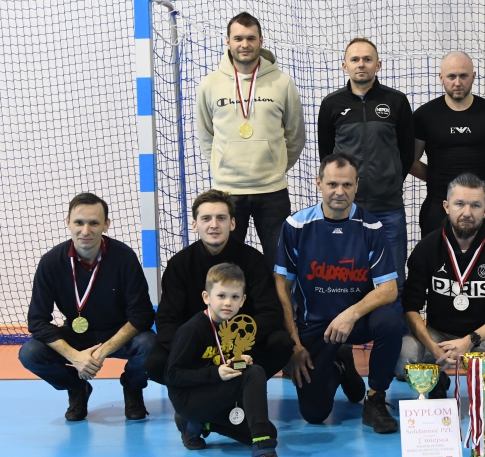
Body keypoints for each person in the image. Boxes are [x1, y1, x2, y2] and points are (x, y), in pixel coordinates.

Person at [275, 153, 405, 434]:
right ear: (319, 183)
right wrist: (295, 346)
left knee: (391, 322)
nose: (339, 192)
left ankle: (375, 399)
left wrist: (351, 314)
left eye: (347, 185)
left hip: (355, 320)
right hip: (316, 326)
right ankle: (340, 363)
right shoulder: (296, 226)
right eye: (332, 184)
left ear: (357, 186)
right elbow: (281, 288)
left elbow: (389, 290)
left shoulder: (371, 227)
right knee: (314, 413)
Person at [20, 193, 156, 421]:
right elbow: (37, 321)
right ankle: (77, 387)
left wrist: (100, 354)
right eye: (79, 222)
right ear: (68, 222)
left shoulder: (124, 258)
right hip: (76, 335)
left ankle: (132, 387)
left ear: (106, 224)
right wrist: (75, 357)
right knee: (30, 354)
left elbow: (142, 315)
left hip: (117, 333)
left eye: (94, 223)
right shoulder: (51, 262)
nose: (86, 230)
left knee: (149, 345)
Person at [147, 189, 293, 391]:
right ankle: (196, 392)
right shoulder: (179, 264)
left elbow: (271, 314)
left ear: (232, 223)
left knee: (281, 343)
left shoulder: (253, 260)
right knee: (153, 363)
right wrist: (194, 347)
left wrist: (233, 342)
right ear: (195, 224)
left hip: (241, 348)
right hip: (198, 349)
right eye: (206, 218)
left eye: (221, 218)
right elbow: (166, 320)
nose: (214, 225)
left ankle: (241, 388)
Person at [398, 173, 485, 404]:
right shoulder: (428, 247)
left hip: (484, 338)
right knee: (403, 352)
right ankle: (435, 380)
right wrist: (433, 348)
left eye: (475, 205)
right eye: (459, 204)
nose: (467, 212)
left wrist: (470, 340)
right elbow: (410, 306)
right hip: (439, 337)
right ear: (446, 207)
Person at [196, 11, 305, 267]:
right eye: (238, 38)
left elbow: (295, 135)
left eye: (250, 38)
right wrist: (224, 165)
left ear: (261, 41)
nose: (244, 44)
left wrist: (274, 166)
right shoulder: (210, 84)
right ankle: (235, 309)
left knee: (281, 265)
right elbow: (205, 136)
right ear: (228, 41)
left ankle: (279, 310)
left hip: (272, 191)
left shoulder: (282, 82)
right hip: (228, 191)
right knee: (226, 265)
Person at [317, 37, 414, 308]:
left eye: (367, 59)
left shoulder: (396, 102)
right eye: (355, 59)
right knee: (341, 277)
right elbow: (328, 156)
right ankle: (343, 346)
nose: (362, 64)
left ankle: (396, 343)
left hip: (388, 208)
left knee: (393, 279)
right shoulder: (331, 105)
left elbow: (406, 154)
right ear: (344, 66)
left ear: (378, 65)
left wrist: (389, 180)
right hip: (345, 211)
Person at [166, 263, 286, 457]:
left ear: (243, 300)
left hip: (217, 396)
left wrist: (239, 363)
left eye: (234, 297)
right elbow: (172, 376)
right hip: (189, 399)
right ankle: (262, 451)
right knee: (256, 374)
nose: (228, 302)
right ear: (206, 297)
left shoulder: (236, 327)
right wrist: (216, 373)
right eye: (221, 295)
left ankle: (200, 423)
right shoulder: (192, 330)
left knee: (272, 432)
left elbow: (224, 364)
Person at [410, 51, 485, 237]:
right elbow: (409, 159)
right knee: (435, 263)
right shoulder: (424, 116)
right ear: (441, 78)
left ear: (473, 76)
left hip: (482, 205)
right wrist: (436, 178)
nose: (457, 83)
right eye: (451, 76)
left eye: (463, 76)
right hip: (437, 204)